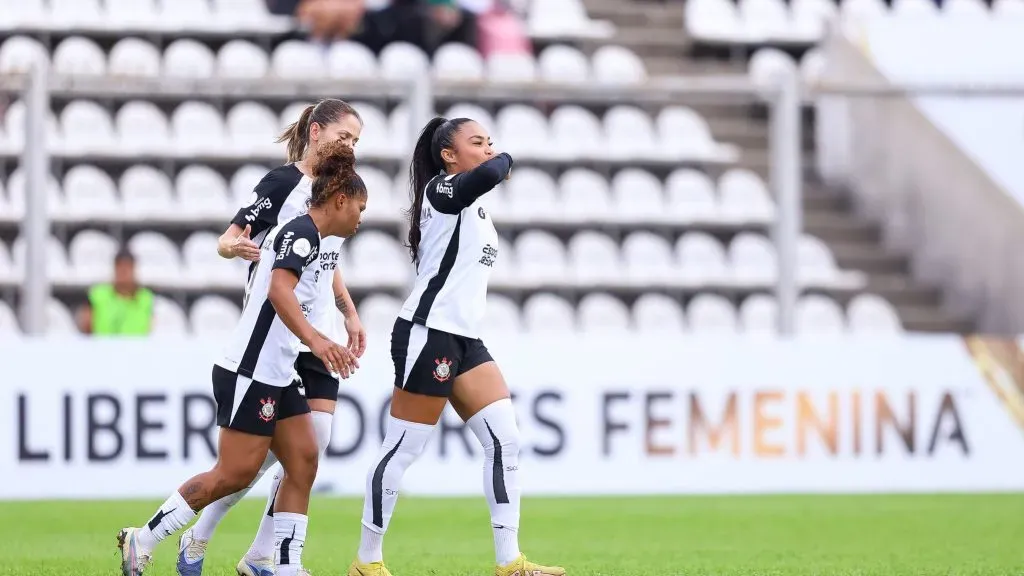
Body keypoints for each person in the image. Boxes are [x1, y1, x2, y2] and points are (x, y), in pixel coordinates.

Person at [117, 140, 368, 576]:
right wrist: (319, 341)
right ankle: (144, 538)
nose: (361, 219)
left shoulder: (315, 237)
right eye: (359, 208)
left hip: (278, 373)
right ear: (340, 199)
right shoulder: (300, 233)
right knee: (233, 473)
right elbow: (277, 290)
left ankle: (281, 564)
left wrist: (338, 323)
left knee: (305, 456)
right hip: (250, 371)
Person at [346, 117, 565, 576]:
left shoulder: (474, 206)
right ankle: (367, 560)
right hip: (428, 333)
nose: (488, 150)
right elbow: (489, 173)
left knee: (506, 440)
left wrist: (498, 162)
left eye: (492, 143)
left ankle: (510, 561)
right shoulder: (442, 192)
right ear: (448, 155)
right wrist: (505, 161)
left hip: (465, 337)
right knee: (403, 448)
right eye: (478, 142)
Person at [76, 248, 154, 336]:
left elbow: (151, 329)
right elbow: (86, 327)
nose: (124, 272)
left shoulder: (146, 298)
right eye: (120, 267)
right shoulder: (98, 295)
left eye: (128, 267)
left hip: (137, 348)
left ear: (134, 269)